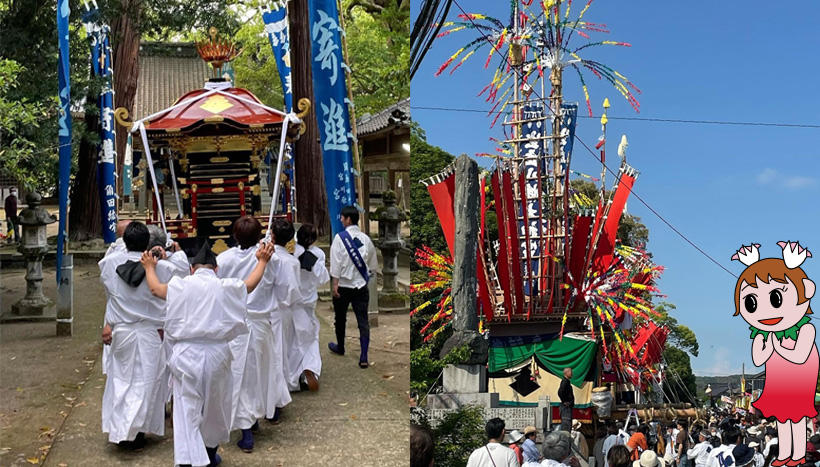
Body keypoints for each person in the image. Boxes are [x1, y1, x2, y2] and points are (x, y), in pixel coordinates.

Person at [142, 240, 273, 467]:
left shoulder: (180, 285)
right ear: (216, 269)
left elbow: (155, 289)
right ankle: (210, 454)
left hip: (187, 354)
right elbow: (250, 285)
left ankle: (187, 459)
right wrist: (262, 260)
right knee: (215, 407)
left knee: (186, 410)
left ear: (193, 269)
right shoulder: (225, 286)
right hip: (217, 354)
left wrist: (149, 268)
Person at [98, 221, 186, 449]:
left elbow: (110, 293)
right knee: (147, 382)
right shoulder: (162, 269)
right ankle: (136, 430)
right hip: (149, 331)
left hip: (123, 331)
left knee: (122, 380)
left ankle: (122, 429)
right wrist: (171, 253)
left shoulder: (108, 265)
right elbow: (182, 275)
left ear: (123, 241)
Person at [731, 242, 819, 466]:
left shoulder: (805, 328)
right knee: (782, 418)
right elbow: (759, 359)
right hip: (778, 381)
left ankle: (797, 454)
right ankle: (785, 454)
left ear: (806, 291)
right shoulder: (763, 334)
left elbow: (800, 356)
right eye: (751, 303)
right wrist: (762, 342)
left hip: (799, 381)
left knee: (797, 418)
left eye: (776, 299)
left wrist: (776, 346)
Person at [216, 216, 282, 453]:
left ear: (234, 236)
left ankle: (247, 426)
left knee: (242, 377)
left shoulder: (223, 260)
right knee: (253, 375)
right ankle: (249, 422)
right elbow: (279, 287)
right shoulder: (270, 260)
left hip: (236, 325)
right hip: (258, 323)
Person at [328, 205, 378, 368]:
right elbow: (372, 264)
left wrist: (334, 283)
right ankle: (364, 356)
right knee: (363, 321)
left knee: (340, 318)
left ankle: (341, 346)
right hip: (361, 286)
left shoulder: (339, 238)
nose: (341, 220)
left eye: (342, 217)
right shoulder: (366, 239)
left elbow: (335, 263)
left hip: (343, 285)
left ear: (348, 219)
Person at [290, 223, 330, 391]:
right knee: (311, 335)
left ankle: (294, 376)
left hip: (293, 301)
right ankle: (310, 368)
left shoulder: (291, 254)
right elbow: (323, 279)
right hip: (309, 300)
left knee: (293, 338)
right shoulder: (318, 254)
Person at [267, 219, 300, 421]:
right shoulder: (290, 262)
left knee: (274, 355)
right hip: (283, 310)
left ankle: (275, 399)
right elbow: (293, 292)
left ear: (272, 236)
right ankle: (276, 399)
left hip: (269, 311)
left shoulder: (266, 258)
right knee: (280, 354)